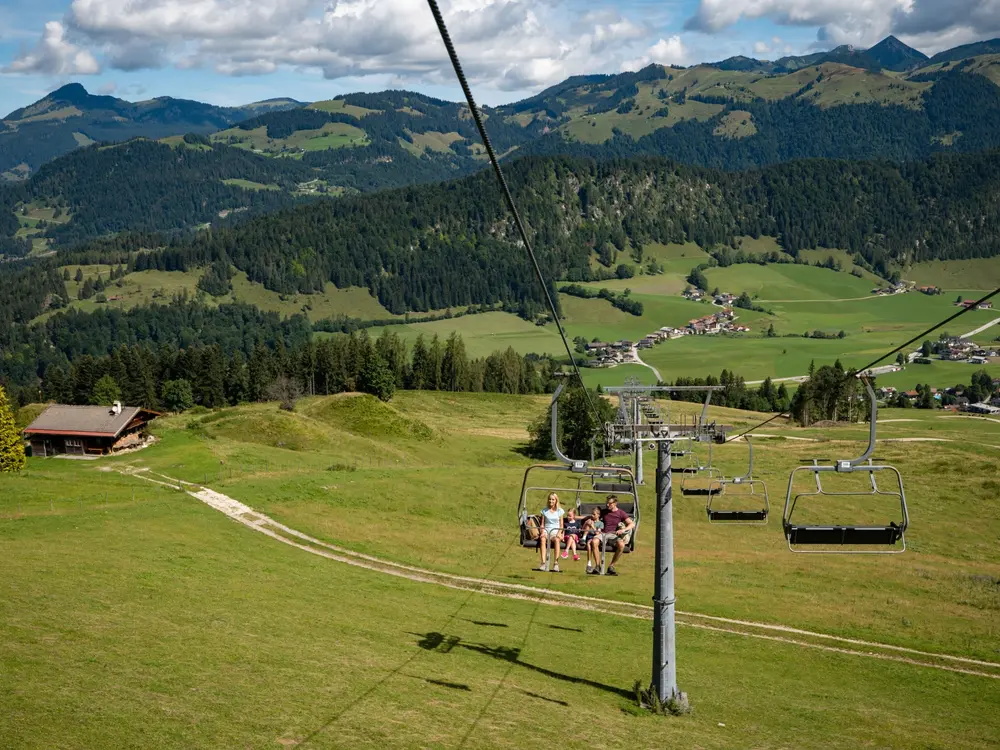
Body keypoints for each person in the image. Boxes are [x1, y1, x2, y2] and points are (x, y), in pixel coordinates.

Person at [587, 495, 634, 576]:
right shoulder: (604, 512)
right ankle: (597, 566)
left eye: (609, 503)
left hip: (613, 535)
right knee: (594, 542)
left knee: (621, 545)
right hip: (603, 534)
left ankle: (611, 566)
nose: (607, 505)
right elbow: (593, 517)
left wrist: (623, 530)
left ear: (615, 503)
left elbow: (632, 524)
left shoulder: (620, 513)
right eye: (607, 503)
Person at [536, 492, 565, 573]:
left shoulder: (560, 511)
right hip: (546, 530)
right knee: (542, 539)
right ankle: (543, 563)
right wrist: (542, 531)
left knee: (556, 540)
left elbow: (561, 525)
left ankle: (556, 563)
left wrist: (559, 532)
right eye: (549, 499)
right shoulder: (544, 511)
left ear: (556, 500)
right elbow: (542, 524)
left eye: (553, 499)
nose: (551, 501)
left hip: (555, 531)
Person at [581, 507, 603, 574]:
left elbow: (598, 533)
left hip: (595, 537)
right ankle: (589, 563)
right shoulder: (590, 520)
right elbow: (582, 529)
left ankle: (590, 564)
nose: (592, 516)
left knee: (590, 542)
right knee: (588, 543)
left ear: (598, 515)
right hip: (588, 536)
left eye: (594, 514)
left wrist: (592, 526)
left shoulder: (600, 523)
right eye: (592, 514)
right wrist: (586, 523)